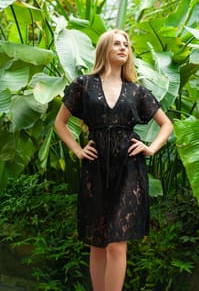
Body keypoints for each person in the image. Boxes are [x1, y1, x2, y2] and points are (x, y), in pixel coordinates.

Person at [54, 29, 173, 291]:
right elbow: (60, 123)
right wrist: (77, 149)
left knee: (117, 244)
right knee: (97, 243)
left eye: (126, 45)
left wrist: (151, 148)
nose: (123, 48)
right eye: (117, 43)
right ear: (104, 48)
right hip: (95, 169)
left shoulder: (137, 91)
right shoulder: (83, 85)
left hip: (128, 169)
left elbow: (166, 125)